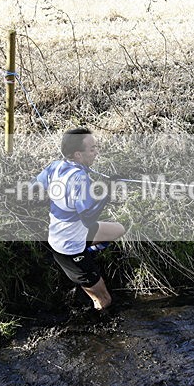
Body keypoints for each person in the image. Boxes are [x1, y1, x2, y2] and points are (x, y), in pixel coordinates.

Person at [34, 128, 126, 310]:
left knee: (119, 230)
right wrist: (108, 192)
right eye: (92, 149)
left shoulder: (55, 165)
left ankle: (88, 253)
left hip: (71, 233)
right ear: (77, 154)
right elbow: (88, 218)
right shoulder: (79, 179)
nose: (96, 152)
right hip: (69, 249)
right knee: (104, 301)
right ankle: (99, 321)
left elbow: (35, 184)